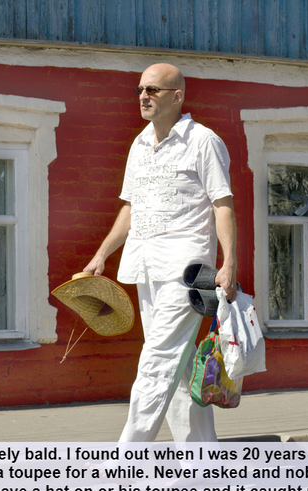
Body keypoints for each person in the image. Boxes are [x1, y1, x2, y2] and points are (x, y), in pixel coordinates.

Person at [83, 63, 237, 443]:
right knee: (179, 368)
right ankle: (204, 458)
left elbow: (223, 204)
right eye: (139, 90)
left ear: (177, 95)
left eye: (152, 90)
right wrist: (102, 254)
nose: (143, 96)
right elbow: (130, 208)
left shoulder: (204, 141)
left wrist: (229, 261)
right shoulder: (139, 144)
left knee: (156, 363)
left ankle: (127, 456)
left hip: (190, 271)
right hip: (147, 266)